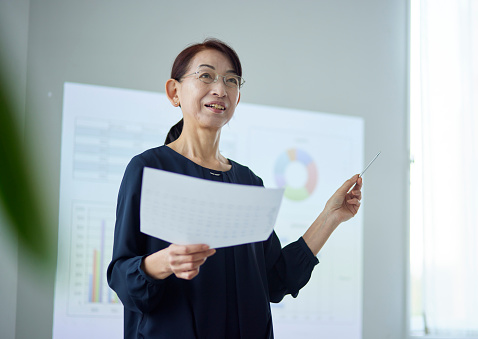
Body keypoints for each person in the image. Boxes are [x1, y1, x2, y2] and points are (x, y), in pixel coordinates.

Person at [107, 38, 362, 339]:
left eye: (232, 80)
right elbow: (122, 276)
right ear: (174, 92)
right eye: (206, 76)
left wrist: (330, 217)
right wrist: (163, 262)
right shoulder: (149, 168)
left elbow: (275, 280)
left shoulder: (248, 182)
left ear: (237, 98)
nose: (220, 89)